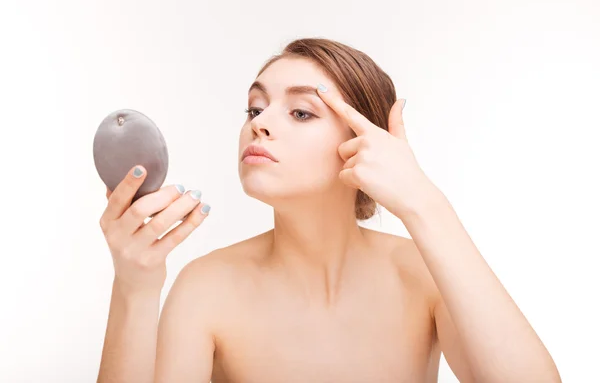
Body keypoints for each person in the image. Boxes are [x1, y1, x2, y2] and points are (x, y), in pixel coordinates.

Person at [96, 38, 561, 383]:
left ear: (364, 143)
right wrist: (134, 290)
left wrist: (425, 203)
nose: (260, 126)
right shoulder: (206, 287)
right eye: (254, 109)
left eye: (301, 112)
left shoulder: (422, 275)